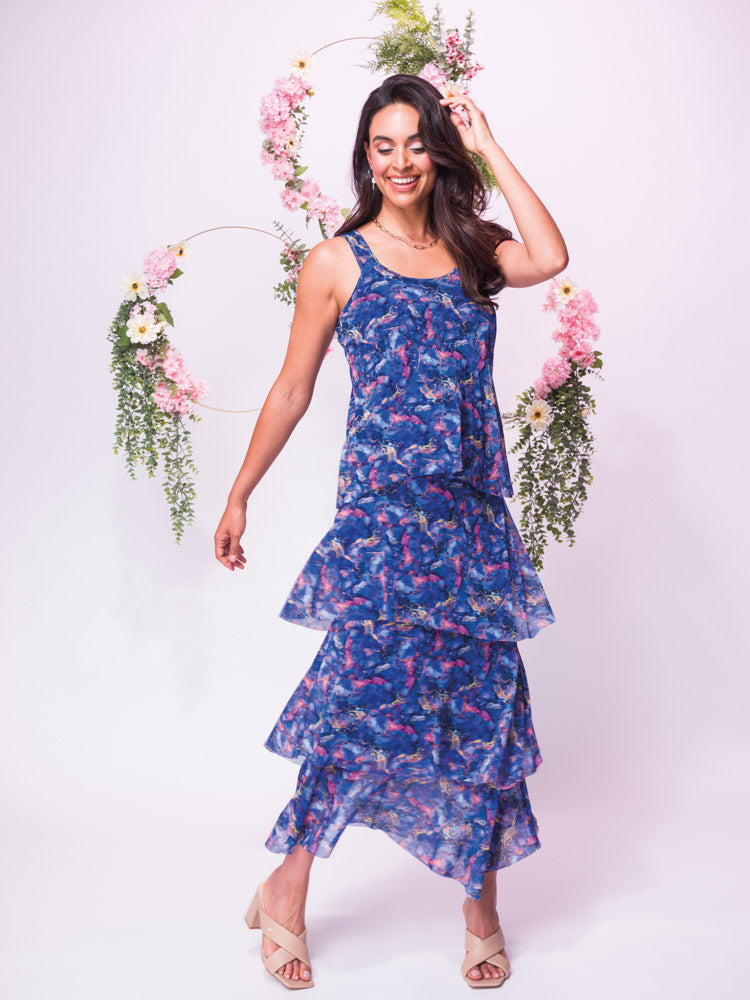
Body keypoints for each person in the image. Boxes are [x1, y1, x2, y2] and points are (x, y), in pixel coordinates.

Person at [214, 73, 567, 991]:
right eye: (383, 146)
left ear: (438, 151)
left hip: (470, 525)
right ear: (364, 156)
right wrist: (240, 492)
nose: (401, 161)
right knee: (354, 707)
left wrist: (490, 142)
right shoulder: (337, 261)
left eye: (416, 143)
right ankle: (285, 894)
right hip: (380, 527)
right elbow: (293, 389)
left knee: (481, 710)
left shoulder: (473, 249)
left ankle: (481, 909)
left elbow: (552, 255)